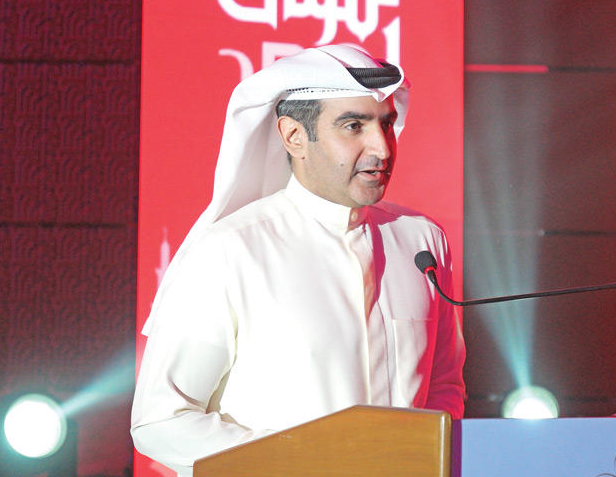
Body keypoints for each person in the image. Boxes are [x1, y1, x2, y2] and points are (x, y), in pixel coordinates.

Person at [131, 44, 465, 476]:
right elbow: (161, 423)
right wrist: (303, 462)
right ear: (293, 137)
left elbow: (443, 388)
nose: (382, 148)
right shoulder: (230, 251)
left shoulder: (421, 241)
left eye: (386, 124)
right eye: (354, 126)